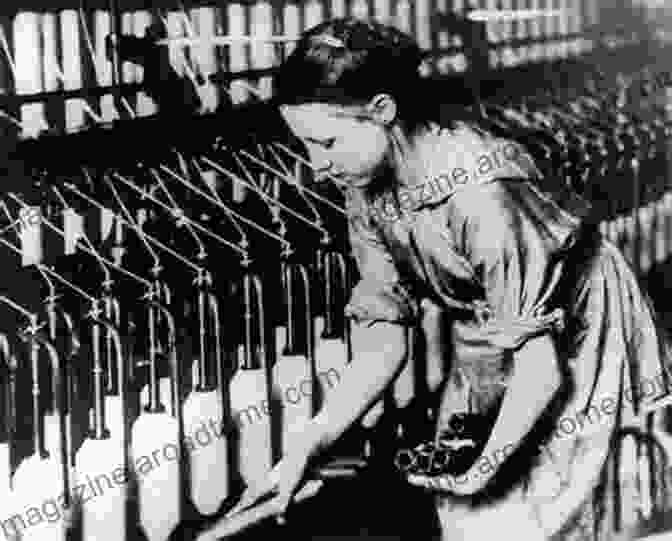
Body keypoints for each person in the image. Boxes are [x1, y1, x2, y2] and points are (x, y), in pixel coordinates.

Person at [199, 17, 672, 541]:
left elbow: (541, 371)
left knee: (553, 507)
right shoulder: (365, 186)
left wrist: (481, 470)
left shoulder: (478, 191)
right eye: (306, 145)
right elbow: (385, 341)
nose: (317, 165)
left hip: (577, 328)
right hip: (491, 326)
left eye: (326, 141)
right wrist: (308, 445)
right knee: (469, 517)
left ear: (382, 111)